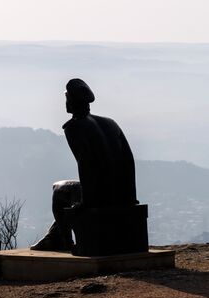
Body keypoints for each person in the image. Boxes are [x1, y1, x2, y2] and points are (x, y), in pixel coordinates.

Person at [31, 78, 138, 251]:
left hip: (101, 196)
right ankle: (54, 236)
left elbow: (86, 164)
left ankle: (65, 241)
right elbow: (128, 161)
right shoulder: (110, 123)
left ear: (71, 101)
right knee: (72, 192)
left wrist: (87, 202)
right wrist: (130, 197)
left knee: (58, 190)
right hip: (122, 194)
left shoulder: (74, 127)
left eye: (66, 98)